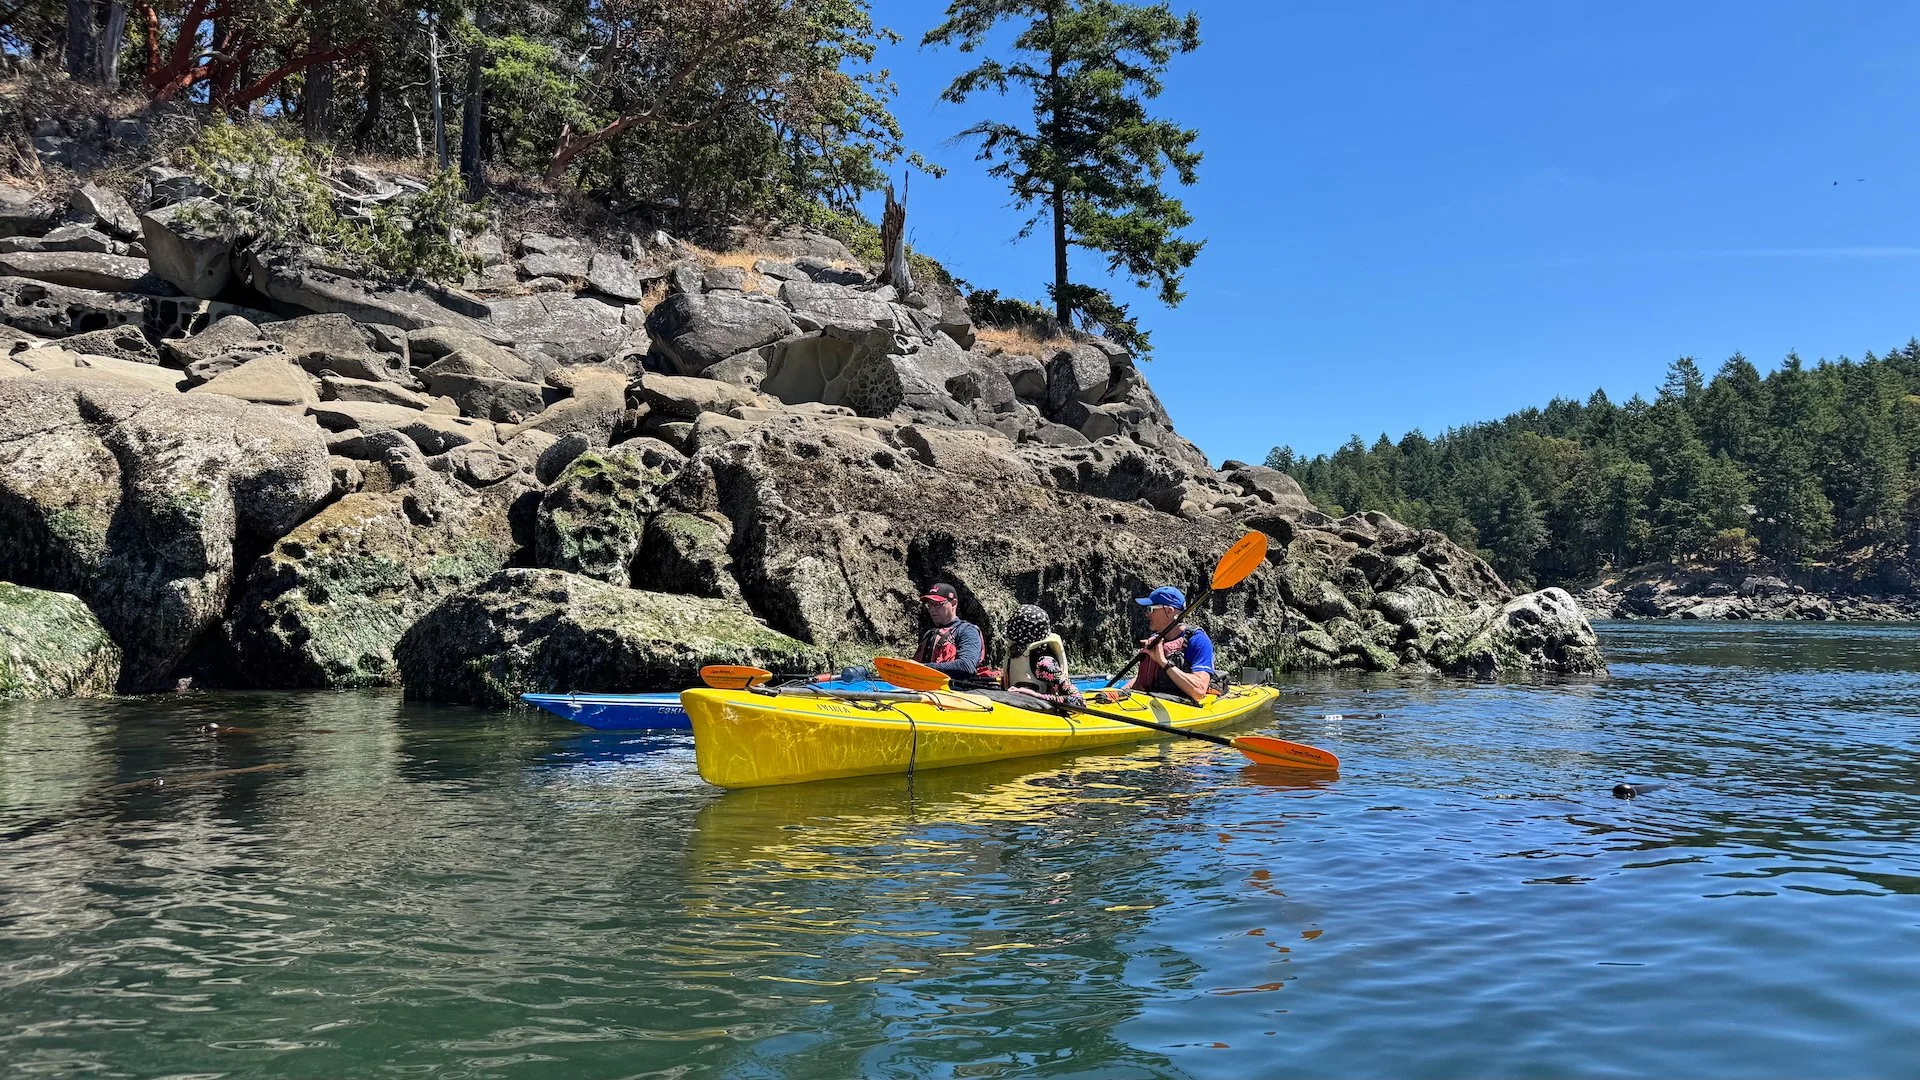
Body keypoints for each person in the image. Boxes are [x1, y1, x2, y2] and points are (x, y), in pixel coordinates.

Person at [1131, 586, 1217, 702]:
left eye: (1151, 609)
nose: (1147, 614)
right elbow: (1139, 683)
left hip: (1185, 707)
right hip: (1153, 702)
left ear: (1169, 611)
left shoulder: (1198, 640)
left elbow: (1199, 691)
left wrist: (1163, 662)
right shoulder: (1155, 641)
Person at [1001, 604, 1082, 706]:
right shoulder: (1013, 652)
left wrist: (1036, 695)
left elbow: (1078, 700)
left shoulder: (1044, 664)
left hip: (1039, 716)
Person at [912, 583, 985, 682]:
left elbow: (966, 666)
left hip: (953, 690)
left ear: (954, 603)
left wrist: (924, 667)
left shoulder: (967, 630)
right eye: (930, 605)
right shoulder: (930, 633)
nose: (932, 609)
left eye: (937, 604)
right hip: (925, 686)